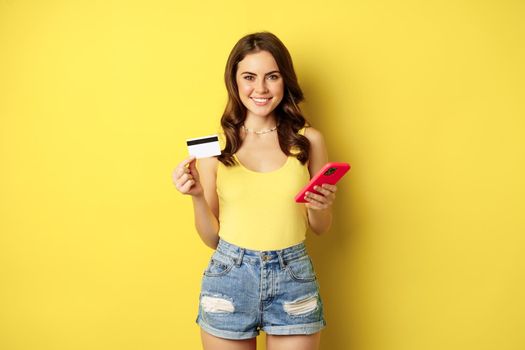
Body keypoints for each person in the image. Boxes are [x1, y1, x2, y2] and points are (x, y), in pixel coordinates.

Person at [172, 31, 338, 350]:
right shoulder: (215, 148)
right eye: (249, 77)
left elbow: (321, 227)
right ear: (234, 82)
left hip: (294, 278)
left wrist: (321, 204)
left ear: (284, 80)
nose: (260, 89)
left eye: (271, 77)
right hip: (229, 277)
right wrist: (195, 197)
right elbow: (212, 238)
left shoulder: (308, 141)